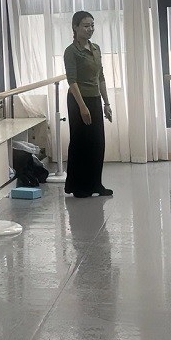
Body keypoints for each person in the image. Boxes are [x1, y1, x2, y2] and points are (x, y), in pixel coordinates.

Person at [63, 10, 113, 199]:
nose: (90, 29)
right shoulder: (71, 51)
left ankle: (95, 184)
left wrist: (106, 103)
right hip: (78, 100)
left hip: (95, 99)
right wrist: (82, 107)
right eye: (86, 25)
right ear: (75, 27)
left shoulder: (96, 48)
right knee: (80, 142)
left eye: (92, 25)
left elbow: (101, 77)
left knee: (97, 143)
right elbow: (72, 80)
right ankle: (78, 186)